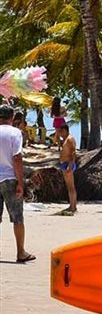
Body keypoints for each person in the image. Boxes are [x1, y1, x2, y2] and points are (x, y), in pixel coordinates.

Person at [0, 105, 34, 263]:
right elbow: (17, 157)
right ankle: (20, 252)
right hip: (10, 179)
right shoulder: (15, 133)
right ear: (12, 117)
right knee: (17, 218)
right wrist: (21, 183)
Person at [55, 120, 78, 214]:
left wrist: (70, 165)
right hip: (64, 163)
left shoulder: (69, 139)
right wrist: (57, 133)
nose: (60, 134)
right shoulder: (64, 140)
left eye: (61, 132)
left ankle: (73, 206)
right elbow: (56, 140)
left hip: (68, 163)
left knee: (71, 187)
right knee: (69, 187)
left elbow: (73, 152)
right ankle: (72, 205)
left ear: (64, 130)